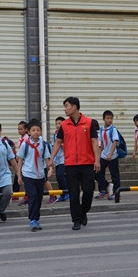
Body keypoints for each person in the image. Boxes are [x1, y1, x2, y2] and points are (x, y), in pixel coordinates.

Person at [50, 97, 100, 231]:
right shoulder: (64, 125)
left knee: (89, 191)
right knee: (73, 193)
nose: (64, 109)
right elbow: (58, 142)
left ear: (74, 107)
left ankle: (83, 211)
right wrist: (51, 159)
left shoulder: (89, 123)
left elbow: (95, 142)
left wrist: (97, 160)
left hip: (87, 163)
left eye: (66, 106)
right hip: (71, 164)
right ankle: (76, 220)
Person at [16, 119, 53, 231]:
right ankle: (33, 219)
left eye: (38, 130)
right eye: (33, 130)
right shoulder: (25, 145)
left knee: (38, 198)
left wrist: (50, 168)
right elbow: (20, 160)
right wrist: (19, 175)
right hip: (28, 174)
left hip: (40, 175)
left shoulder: (44, 144)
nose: (36, 132)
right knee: (32, 196)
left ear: (41, 131)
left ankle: (36, 218)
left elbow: (47, 158)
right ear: (29, 132)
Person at [0, 122, 19, 224]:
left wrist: (18, 173)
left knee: (8, 192)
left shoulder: (5, 144)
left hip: (5, 173)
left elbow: (12, 159)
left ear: (0, 132)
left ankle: (2, 210)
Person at [95, 110, 121, 200]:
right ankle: (103, 190)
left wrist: (110, 153)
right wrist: (98, 156)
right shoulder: (102, 129)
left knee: (115, 175)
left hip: (112, 156)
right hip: (103, 155)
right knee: (98, 173)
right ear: (103, 119)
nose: (110, 120)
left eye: (111, 118)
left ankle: (116, 193)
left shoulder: (113, 129)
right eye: (108, 118)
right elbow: (101, 143)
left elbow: (115, 142)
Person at [52, 116, 69, 202]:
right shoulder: (55, 134)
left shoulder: (66, 133)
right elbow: (53, 145)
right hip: (57, 159)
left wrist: (62, 145)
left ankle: (67, 192)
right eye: (56, 124)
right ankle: (62, 194)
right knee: (58, 177)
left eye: (60, 123)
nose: (58, 125)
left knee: (60, 174)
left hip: (64, 158)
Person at [15, 120, 29, 204]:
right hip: (20, 161)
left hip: (25, 162)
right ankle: (16, 194)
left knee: (25, 179)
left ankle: (26, 196)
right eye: (18, 129)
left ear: (26, 129)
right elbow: (17, 148)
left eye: (21, 129)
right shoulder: (20, 139)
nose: (19, 131)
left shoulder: (27, 139)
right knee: (18, 177)